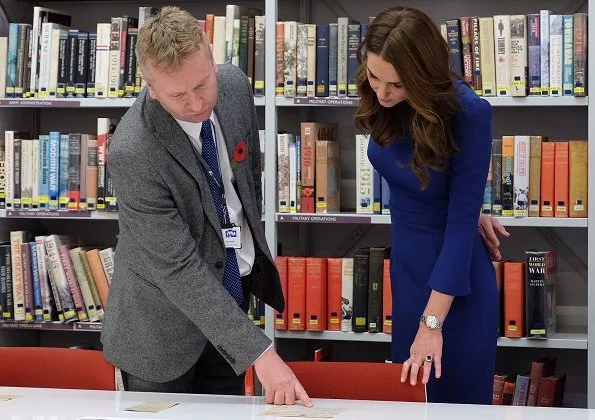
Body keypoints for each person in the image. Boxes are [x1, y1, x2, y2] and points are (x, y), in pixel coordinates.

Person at [101, 6, 312, 407]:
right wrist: (261, 353)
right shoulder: (133, 150)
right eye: (178, 95)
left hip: (230, 301)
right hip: (158, 333)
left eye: (202, 84)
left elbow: (246, 183)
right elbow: (178, 269)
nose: (197, 102)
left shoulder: (233, 85)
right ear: (150, 87)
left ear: (212, 61)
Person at [355, 6, 508, 404]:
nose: (382, 94)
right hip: (407, 275)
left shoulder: (469, 112)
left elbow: (457, 229)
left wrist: (432, 322)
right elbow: (427, 180)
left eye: (396, 84)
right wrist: (469, 205)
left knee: (455, 403)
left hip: (454, 284)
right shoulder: (386, 96)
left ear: (422, 75)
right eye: (374, 77)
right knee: (410, 405)